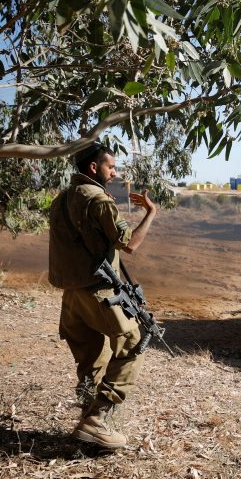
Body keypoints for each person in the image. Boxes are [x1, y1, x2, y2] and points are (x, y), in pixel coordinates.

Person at [47, 142, 157, 449]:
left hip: (72, 296)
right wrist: (151, 212)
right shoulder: (98, 200)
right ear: (93, 168)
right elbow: (130, 245)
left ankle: (87, 418)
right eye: (111, 167)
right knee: (134, 342)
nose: (116, 173)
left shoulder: (62, 198)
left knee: (89, 358)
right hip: (99, 293)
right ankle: (96, 421)